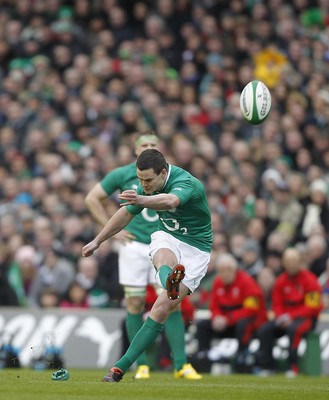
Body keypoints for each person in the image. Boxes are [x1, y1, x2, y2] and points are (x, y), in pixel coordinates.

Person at [82, 148, 213, 382]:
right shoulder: (148, 184)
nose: (144, 184)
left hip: (196, 248)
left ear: (163, 172)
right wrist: (98, 240)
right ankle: (118, 370)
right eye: (140, 179)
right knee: (163, 254)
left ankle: (124, 364)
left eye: (148, 180)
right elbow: (125, 215)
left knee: (161, 309)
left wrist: (140, 198)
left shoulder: (186, 182)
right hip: (168, 236)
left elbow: (170, 200)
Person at [254, 247, 323, 377]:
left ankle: (293, 367)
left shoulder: (310, 280)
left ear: (299, 262)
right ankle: (268, 366)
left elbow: (312, 307)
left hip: (305, 319)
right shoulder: (280, 281)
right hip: (285, 319)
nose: (291, 265)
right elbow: (277, 304)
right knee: (265, 330)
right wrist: (281, 317)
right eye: (288, 261)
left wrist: (291, 316)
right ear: (284, 263)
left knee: (294, 329)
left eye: (294, 261)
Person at [194, 253, 267, 373]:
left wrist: (227, 319)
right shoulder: (217, 282)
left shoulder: (247, 282)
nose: (225, 274)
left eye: (228, 270)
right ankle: (204, 355)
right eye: (221, 271)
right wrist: (217, 317)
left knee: (243, 325)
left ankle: (242, 356)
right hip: (224, 322)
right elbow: (214, 305)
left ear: (234, 270)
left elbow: (251, 310)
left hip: (244, 323)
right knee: (203, 324)